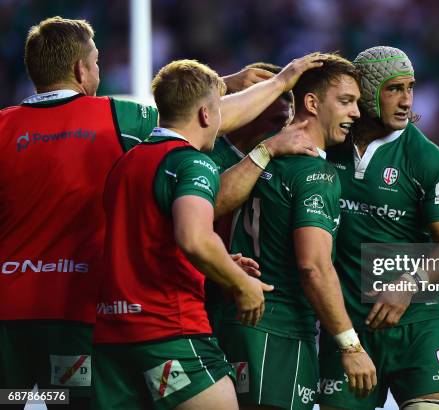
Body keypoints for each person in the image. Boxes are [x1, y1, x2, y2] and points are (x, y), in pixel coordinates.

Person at [0, 15, 323, 407]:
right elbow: (194, 120)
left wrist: (223, 83)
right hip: (77, 311)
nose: (99, 70)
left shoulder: (3, 128)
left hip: (9, 317)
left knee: (16, 400)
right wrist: (278, 83)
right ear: (80, 69)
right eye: (97, 62)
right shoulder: (118, 120)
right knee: (69, 402)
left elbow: (190, 107)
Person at [218, 54, 377, 410]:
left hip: (233, 325)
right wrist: (350, 346)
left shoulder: (257, 157)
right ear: (311, 102)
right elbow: (314, 267)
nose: (355, 113)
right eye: (346, 101)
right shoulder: (314, 174)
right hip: (281, 333)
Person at [318, 46, 439, 410]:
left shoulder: (427, 157)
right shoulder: (328, 146)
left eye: (410, 88)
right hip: (348, 329)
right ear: (367, 92)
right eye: (393, 89)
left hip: (417, 324)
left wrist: (408, 286)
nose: (406, 100)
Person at [207, 62, 294, 331]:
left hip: (254, 308)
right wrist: (222, 84)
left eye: (288, 121)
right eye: (278, 122)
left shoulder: (289, 165)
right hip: (196, 301)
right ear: (248, 112)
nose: (285, 131)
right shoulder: (202, 153)